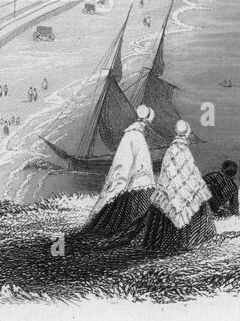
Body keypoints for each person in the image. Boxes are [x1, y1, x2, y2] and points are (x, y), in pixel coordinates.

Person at [121, 120, 216, 252]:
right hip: (185, 191)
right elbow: (190, 172)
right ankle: (188, 240)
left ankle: (164, 242)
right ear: (187, 134)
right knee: (193, 199)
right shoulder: (186, 151)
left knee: (164, 213)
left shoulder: (170, 150)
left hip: (170, 191)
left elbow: (166, 173)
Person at [81, 105, 157, 239]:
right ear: (145, 122)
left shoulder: (135, 136)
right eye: (149, 123)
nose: (149, 127)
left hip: (140, 192)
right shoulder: (133, 136)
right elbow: (122, 168)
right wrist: (116, 189)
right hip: (137, 192)